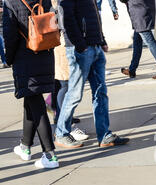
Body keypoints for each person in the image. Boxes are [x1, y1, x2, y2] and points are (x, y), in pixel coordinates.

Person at [55, 0, 129, 148]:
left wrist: (102, 40)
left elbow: (95, 15)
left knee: (101, 92)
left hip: (95, 47)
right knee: (75, 94)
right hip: (81, 49)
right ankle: (61, 133)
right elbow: (66, 19)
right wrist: (80, 45)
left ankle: (104, 136)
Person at [3, 0, 59, 169]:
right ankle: (25, 146)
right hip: (45, 53)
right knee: (31, 99)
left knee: (37, 105)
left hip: (24, 57)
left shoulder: (10, 2)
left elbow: (10, 35)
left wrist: (9, 59)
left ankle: (49, 155)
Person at [51, 0, 88, 141]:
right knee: (65, 85)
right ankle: (65, 125)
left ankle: (61, 118)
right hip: (60, 41)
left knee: (61, 85)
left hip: (59, 40)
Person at [120, 0, 156, 80]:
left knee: (149, 41)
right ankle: (132, 70)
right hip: (144, 9)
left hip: (139, 11)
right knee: (137, 42)